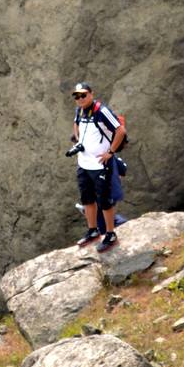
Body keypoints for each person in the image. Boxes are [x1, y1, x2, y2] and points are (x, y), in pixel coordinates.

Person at [69, 82, 126, 251]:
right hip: (84, 163)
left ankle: (110, 234)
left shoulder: (101, 111)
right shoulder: (80, 110)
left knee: (105, 201)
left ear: (91, 94)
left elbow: (120, 131)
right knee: (87, 198)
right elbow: (76, 123)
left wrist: (110, 152)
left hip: (101, 165)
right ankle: (93, 231)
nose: (80, 99)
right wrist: (79, 140)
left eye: (83, 95)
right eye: (77, 96)